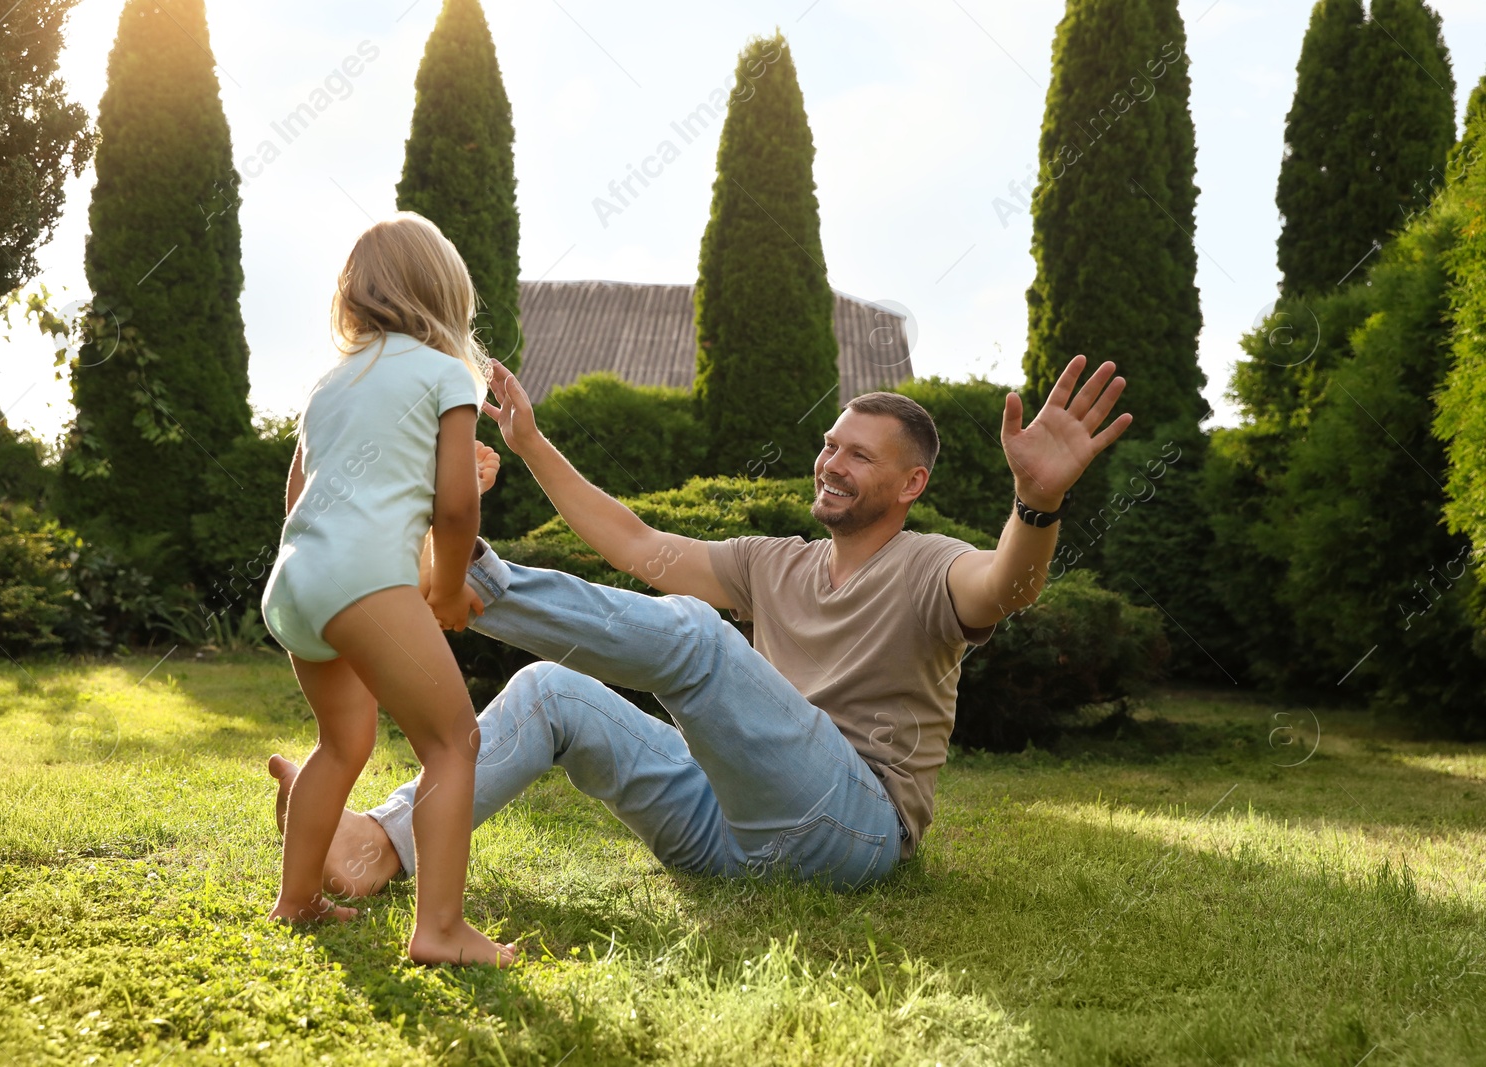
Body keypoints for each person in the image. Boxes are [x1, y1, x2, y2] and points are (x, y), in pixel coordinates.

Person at [269, 352, 1133, 898]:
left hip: (853, 828)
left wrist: (1038, 502)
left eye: (859, 455)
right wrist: (530, 444)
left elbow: (1005, 588)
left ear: (910, 485)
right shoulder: (776, 561)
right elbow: (637, 545)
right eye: (831, 444)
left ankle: (467, 580)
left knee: (694, 636)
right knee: (549, 693)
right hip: (726, 831)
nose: (831, 463)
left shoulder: (932, 564)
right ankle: (376, 845)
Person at [257, 212, 515, 967]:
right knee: (451, 742)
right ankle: (439, 930)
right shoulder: (448, 373)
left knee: (342, 743)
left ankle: (296, 897)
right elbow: (455, 506)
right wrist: (442, 589)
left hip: (297, 578)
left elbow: (301, 493)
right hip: (364, 582)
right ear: (445, 295)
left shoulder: (328, 385)